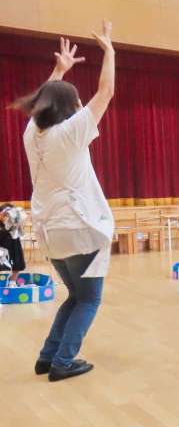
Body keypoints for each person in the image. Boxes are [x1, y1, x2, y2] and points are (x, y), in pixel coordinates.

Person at [11, 25, 115, 382]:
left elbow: (45, 102)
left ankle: (47, 357)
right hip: (78, 229)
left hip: (50, 232)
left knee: (74, 296)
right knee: (89, 300)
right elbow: (106, 92)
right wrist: (110, 52)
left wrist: (59, 71)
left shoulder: (32, 135)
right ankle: (63, 362)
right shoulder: (70, 133)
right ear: (68, 107)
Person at [0, 203, 27, 286]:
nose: (7, 217)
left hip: (13, 246)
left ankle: (12, 282)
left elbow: (21, 223)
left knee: (16, 263)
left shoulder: (15, 225)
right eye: (5, 215)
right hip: (2, 246)